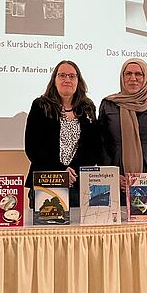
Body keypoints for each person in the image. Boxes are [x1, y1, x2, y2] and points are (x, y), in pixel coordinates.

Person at [24, 60, 102, 207]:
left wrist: (73, 173)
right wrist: (61, 171)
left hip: (78, 184)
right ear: (54, 80)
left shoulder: (87, 107)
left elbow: (94, 147)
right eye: (62, 75)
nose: (67, 79)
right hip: (46, 182)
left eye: (72, 76)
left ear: (78, 81)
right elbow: (32, 147)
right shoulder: (41, 106)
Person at [99, 58, 147, 200]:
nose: (133, 78)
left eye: (138, 74)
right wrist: (112, 175)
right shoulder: (108, 105)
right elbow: (101, 146)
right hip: (116, 185)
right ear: (122, 77)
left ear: (146, 77)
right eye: (128, 74)